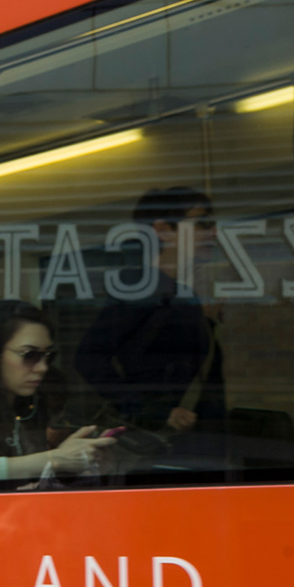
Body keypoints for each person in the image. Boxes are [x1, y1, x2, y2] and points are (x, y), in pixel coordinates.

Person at [75, 187, 228, 441]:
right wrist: (156, 412)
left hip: (196, 440)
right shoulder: (142, 290)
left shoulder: (178, 294)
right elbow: (88, 359)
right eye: (203, 222)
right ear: (163, 230)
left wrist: (206, 322)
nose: (213, 232)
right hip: (165, 444)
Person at [0, 300, 118, 483]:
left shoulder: (28, 403)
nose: (42, 367)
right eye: (30, 355)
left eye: (48, 356)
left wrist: (81, 466)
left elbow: (24, 476)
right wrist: (56, 458)